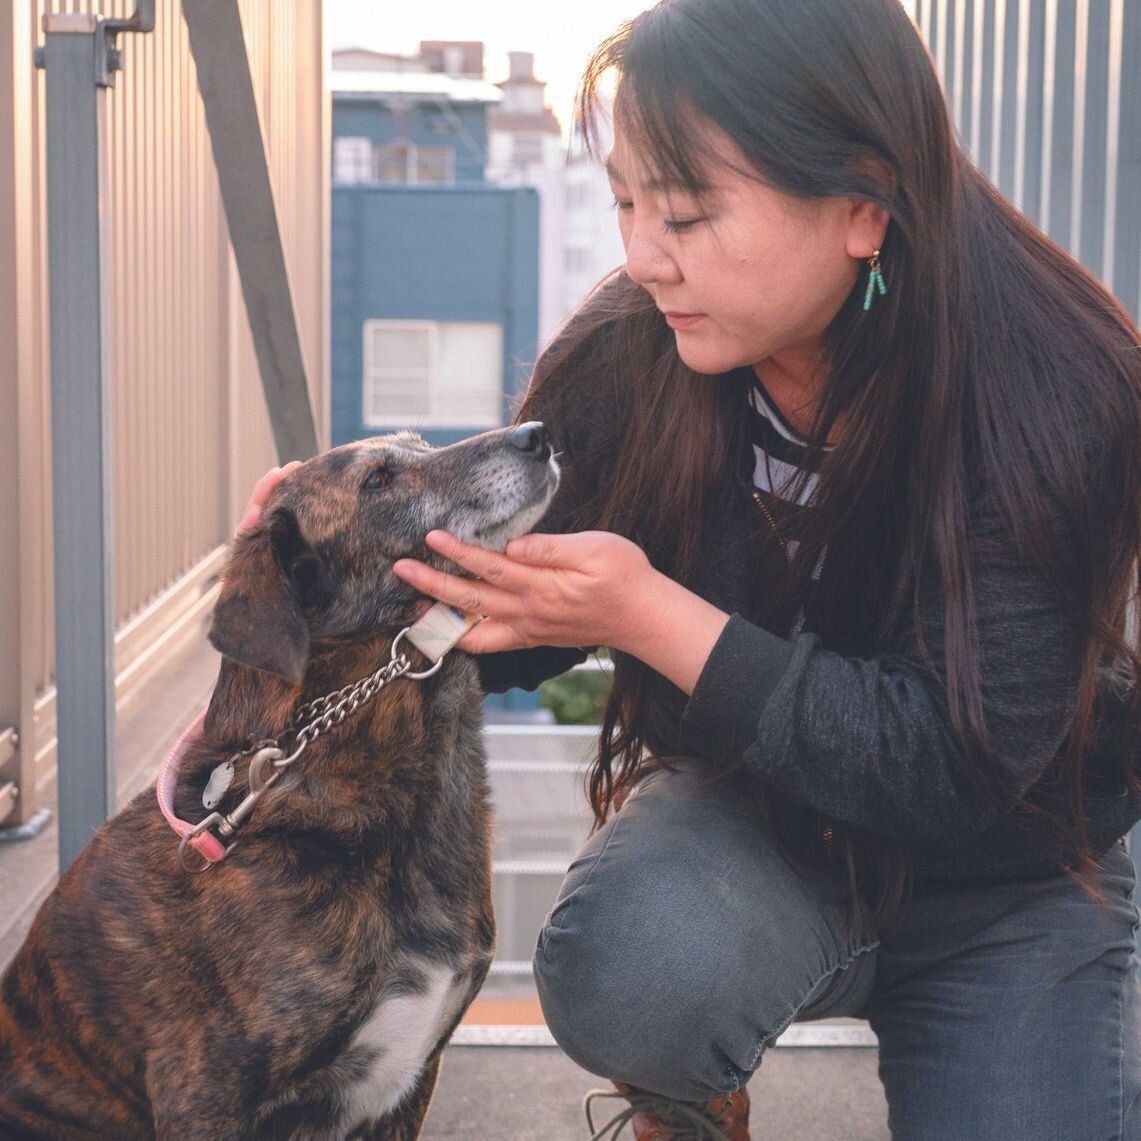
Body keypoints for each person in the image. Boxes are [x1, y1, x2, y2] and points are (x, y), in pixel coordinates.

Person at [249, 0, 1140, 1135]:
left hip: (1010, 872)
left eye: (684, 213)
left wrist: (653, 615)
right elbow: (517, 610)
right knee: (635, 969)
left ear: (863, 206)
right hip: (759, 823)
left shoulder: (1057, 382)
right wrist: (314, 591)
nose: (641, 257)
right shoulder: (635, 349)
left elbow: (953, 765)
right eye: (625, 203)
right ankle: (693, 1092)